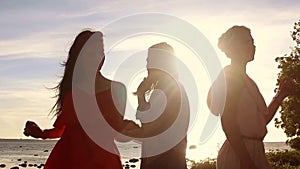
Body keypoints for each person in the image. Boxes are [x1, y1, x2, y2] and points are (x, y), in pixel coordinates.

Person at [23, 30, 136, 169]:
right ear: (79, 57)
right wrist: (41, 134)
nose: (97, 57)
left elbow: (117, 133)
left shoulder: (117, 89)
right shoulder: (72, 92)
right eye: (91, 53)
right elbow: (64, 130)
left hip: (103, 160)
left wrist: (134, 130)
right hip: (68, 159)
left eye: (100, 52)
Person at [207, 26, 295, 169]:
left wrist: (280, 96)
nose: (253, 46)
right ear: (235, 47)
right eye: (249, 42)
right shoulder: (231, 78)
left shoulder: (247, 81)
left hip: (253, 150)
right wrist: (246, 161)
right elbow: (228, 123)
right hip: (239, 153)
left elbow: (260, 121)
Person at [131, 42, 190, 169]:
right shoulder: (175, 87)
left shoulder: (165, 90)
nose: (147, 65)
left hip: (163, 162)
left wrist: (141, 97)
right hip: (174, 160)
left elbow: (150, 130)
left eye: (150, 60)